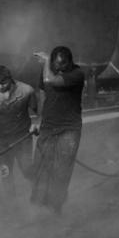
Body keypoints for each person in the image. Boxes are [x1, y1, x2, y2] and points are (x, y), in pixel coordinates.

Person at [31, 46, 85, 216]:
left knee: (61, 170)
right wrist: (38, 120)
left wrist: (46, 62)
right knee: (40, 167)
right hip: (48, 126)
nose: (60, 68)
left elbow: (51, 81)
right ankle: (37, 206)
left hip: (69, 129)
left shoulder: (77, 74)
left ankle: (56, 207)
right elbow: (42, 94)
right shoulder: (48, 70)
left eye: (64, 65)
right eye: (57, 64)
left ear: (70, 63)